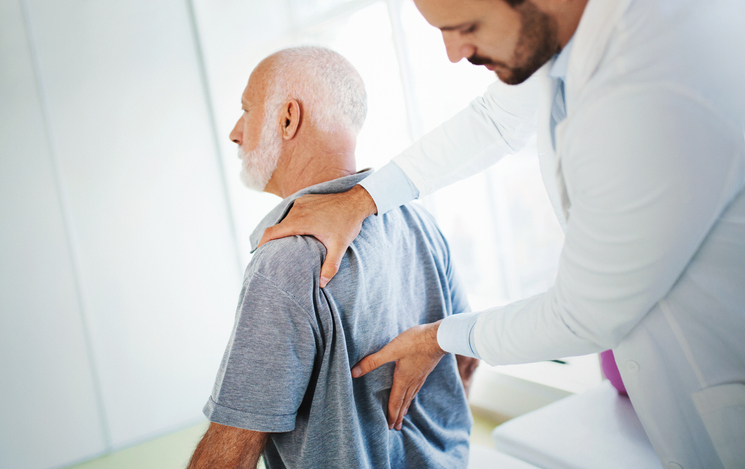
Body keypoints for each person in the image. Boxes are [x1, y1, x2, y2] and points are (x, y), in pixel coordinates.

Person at [259, 1, 745, 468]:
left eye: (467, 26)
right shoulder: (574, 37)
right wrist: (360, 200)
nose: (454, 52)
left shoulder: (649, 84)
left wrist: (440, 338)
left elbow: (583, 316)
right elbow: (495, 119)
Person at [187, 46, 479, 469]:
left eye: (246, 111)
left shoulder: (287, 261)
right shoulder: (418, 222)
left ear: (288, 119)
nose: (235, 132)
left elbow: (231, 454)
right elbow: (466, 360)